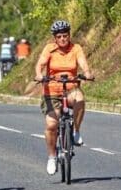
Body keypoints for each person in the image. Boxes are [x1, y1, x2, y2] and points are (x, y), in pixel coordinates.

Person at [34, 20, 94, 175]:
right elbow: (40, 64)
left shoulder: (76, 48)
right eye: (59, 36)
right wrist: (39, 75)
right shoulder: (49, 49)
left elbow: (83, 63)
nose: (62, 39)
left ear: (69, 35)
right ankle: (52, 157)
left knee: (80, 100)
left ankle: (75, 131)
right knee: (51, 125)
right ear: (55, 38)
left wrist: (86, 73)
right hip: (52, 91)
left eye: (65, 36)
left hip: (71, 88)